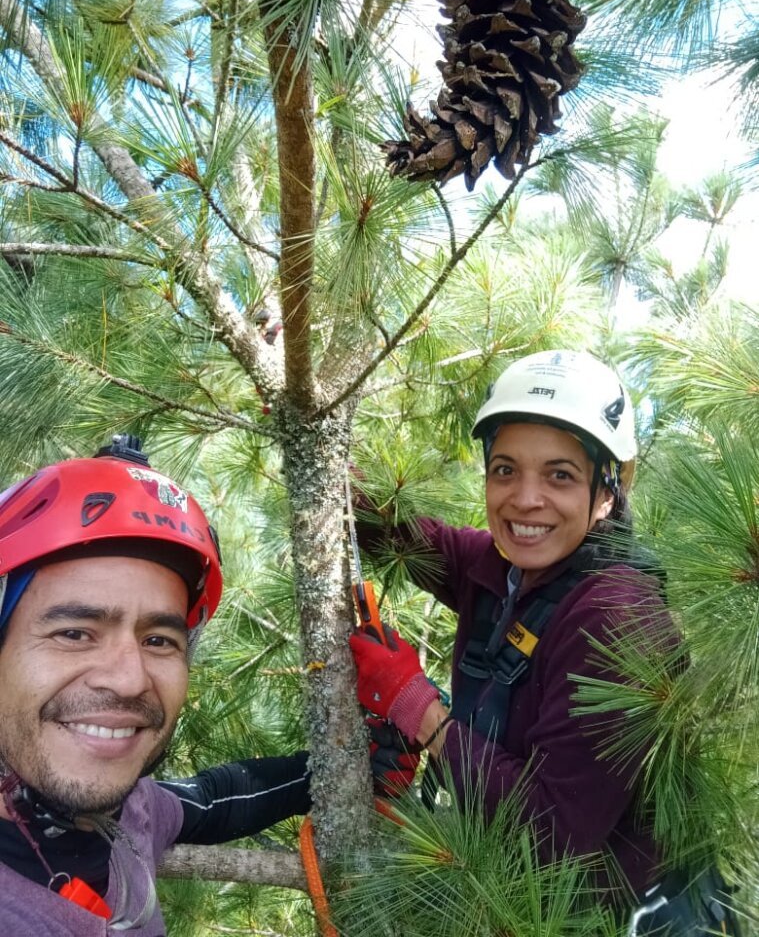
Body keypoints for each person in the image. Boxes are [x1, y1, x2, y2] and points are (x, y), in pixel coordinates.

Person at [349, 350, 739, 935]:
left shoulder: (619, 618)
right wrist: (308, 421)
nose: (525, 499)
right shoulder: (507, 569)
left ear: (607, 491)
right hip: (530, 904)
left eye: (560, 475)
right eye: (505, 469)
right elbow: (397, 533)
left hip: (617, 916)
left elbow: (556, 835)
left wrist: (419, 710)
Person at [0, 434, 349, 936]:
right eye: (74, 633)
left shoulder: (126, 814)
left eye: (159, 640)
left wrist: (346, 762)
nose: (129, 679)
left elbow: (210, 801)